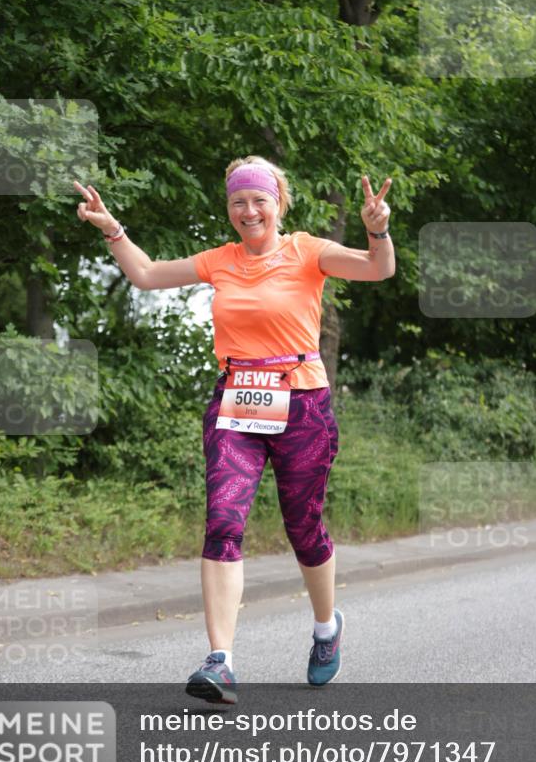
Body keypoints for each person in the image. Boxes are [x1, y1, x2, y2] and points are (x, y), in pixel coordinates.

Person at [74, 156, 394, 703]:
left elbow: (377, 268)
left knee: (304, 527)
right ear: (229, 210)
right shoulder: (219, 261)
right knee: (222, 521)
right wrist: (114, 231)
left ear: (278, 203)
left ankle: (325, 628)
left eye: (259, 200)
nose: (249, 211)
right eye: (238, 202)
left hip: (302, 403)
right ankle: (220, 661)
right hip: (236, 404)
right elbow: (147, 274)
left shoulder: (308, 251)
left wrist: (377, 228)